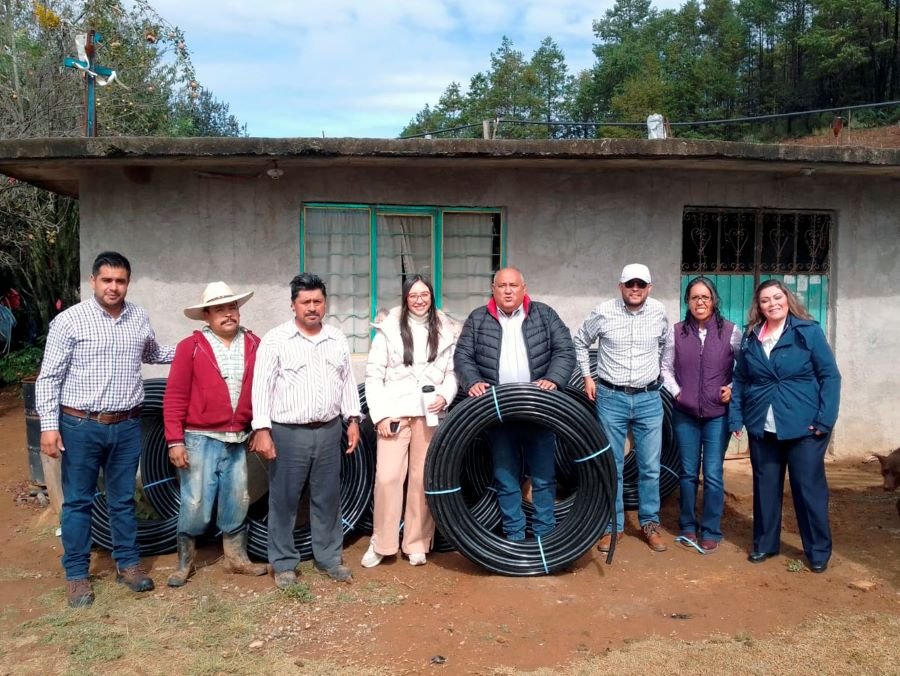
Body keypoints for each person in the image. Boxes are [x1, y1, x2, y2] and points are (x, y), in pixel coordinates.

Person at [35, 251, 174, 608]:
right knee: (79, 502)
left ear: (128, 282)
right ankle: (77, 575)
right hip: (81, 424)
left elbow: (154, 353)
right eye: (107, 280)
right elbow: (49, 377)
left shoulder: (138, 317)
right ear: (93, 281)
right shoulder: (69, 321)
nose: (114, 287)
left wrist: (198, 346)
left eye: (121, 281)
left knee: (123, 500)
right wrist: (49, 427)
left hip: (127, 425)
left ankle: (127, 564)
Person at [251, 273, 361, 588]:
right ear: (293, 305)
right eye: (305, 302)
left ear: (324, 303)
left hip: (328, 430)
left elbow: (346, 382)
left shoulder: (336, 338)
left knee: (327, 497)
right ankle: (283, 564)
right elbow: (262, 387)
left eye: (317, 301)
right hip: (288, 431)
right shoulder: (276, 340)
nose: (312, 307)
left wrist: (352, 419)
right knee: (284, 499)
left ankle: (329, 558)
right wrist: (262, 429)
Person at [454, 267, 575, 541]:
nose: (508, 290)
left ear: (524, 288)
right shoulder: (478, 319)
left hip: (538, 411)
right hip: (498, 413)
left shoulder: (545, 315)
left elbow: (565, 350)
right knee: (506, 478)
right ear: (493, 289)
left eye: (513, 285)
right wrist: (471, 381)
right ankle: (514, 537)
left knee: (543, 477)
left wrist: (553, 380)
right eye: (502, 286)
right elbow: (463, 356)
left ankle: (545, 537)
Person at [730, 279, 840, 573]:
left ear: (787, 299)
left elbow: (830, 376)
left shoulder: (807, 331)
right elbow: (741, 379)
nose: (772, 304)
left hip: (804, 426)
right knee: (765, 488)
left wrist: (825, 419)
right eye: (765, 300)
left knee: (808, 489)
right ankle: (765, 544)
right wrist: (736, 416)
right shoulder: (752, 336)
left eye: (777, 297)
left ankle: (817, 550)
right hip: (762, 426)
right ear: (759, 306)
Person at [162, 281, 268, 587]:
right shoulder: (190, 347)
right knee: (195, 501)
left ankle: (236, 558)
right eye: (220, 309)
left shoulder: (254, 344)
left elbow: (263, 390)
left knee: (238, 498)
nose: (228, 314)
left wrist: (259, 426)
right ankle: (185, 563)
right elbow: (175, 396)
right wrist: (175, 440)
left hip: (238, 439)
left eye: (232, 307)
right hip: (199, 438)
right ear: (206, 316)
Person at [361, 275, 457, 568]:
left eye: (424, 294)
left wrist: (444, 395)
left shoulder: (446, 330)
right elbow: (373, 376)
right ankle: (382, 543)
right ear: (405, 298)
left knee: (421, 479)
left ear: (431, 297)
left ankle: (416, 543)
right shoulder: (388, 329)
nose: (419, 300)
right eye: (413, 295)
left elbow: (452, 373)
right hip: (395, 412)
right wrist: (380, 414)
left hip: (428, 414)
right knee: (388, 478)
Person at [573, 263, 669, 553]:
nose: (635, 289)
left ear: (649, 288)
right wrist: (588, 377)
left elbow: (665, 346)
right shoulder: (604, 311)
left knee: (650, 467)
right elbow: (580, 341)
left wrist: (657, 376)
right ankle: (611, 526)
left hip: (649, 399)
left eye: (641, 285)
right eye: (630, 284)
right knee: (611, 465)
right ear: (621, 287)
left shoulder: (659, 312)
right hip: (611, 398)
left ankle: (650, 523)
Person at [661, 277, 741, 553]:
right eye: (694, 297)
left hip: (718, 415)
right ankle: (686, 526)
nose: (700, 302)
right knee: (687, 473)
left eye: (705, 297)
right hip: (685, 414)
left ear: (714, 300)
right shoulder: (677, 332)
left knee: (713, 473)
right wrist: (676, 392)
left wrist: (732, 388)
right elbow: (665, 367)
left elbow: (744, 369)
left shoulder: (731, 332)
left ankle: (710, 529)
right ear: (687, 302)